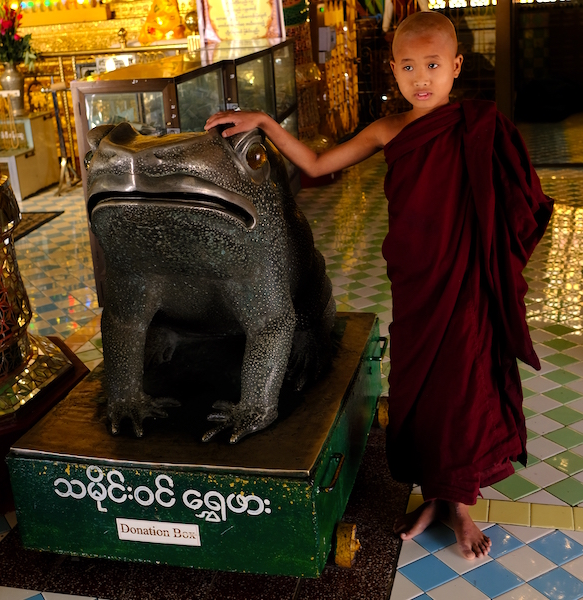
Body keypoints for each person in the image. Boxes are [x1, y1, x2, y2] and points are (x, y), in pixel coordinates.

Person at [205, 11, 553, 560]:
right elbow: (318, 164)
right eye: (409, 66)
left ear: (456, 67)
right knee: (419, 385)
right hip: (416, 284)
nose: (421, 78)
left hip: (463, 285)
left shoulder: (478, 125)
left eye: (433, 65)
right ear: (392, 69)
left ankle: (457, 502)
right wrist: (268, 125)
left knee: (463, 385)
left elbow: (519, 203)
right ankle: (434, 494)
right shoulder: (387, 131)